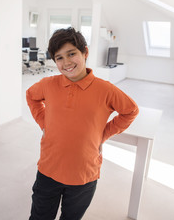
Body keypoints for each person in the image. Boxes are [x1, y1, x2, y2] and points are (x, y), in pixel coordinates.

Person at [26, 27, 139, 220]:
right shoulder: (48, 84)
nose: (67, 62)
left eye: (71, 54)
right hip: (48, 171)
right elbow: (31, 96)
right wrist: (44, 123)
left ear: (85, 52)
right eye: (59, 57)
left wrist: (103, 134)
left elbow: (130, 111)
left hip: (84, 176)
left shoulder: (106, 90)